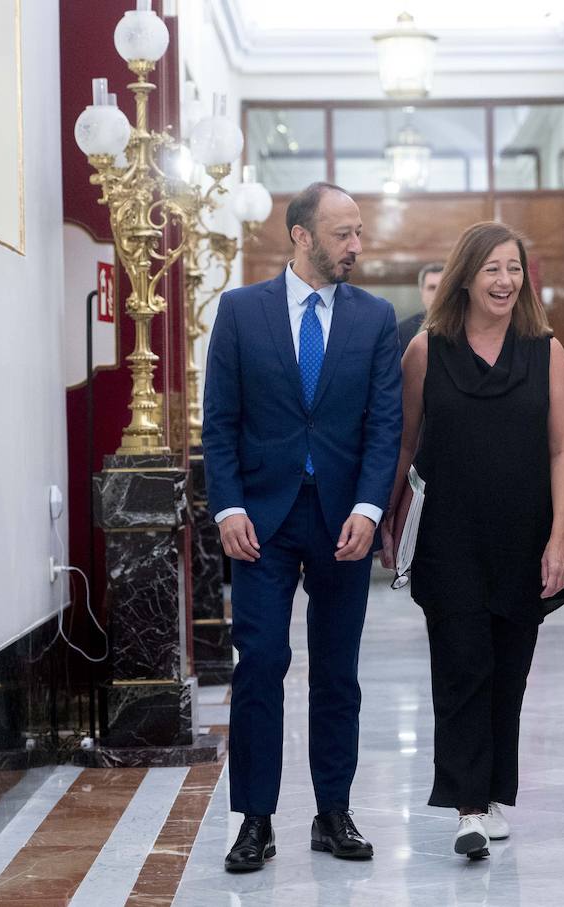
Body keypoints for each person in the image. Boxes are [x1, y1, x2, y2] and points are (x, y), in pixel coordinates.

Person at [202, 181, 402, 873]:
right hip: (262, 520)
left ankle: (333, 810)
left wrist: (370, 508)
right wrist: (226, 507)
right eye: (343, 232)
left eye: (358, 232)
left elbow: (385, 425)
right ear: (301, 235)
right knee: (260, 664)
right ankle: (254, 820)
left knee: (337, 672)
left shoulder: (374, 318)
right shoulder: (240, 311)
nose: (356, 244)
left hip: (343, 519)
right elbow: (220, 422)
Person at [381, 221, 564, 861]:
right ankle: (467, 807)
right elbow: (406, 445)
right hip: (449, 539)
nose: (504, 281)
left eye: (513, 269)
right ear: (465, 275)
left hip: (523, 538)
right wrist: (388, 522)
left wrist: (560, 539)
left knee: (509, 675)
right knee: (462, 667)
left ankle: (492, 794)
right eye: (492, 268)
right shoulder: (425, 352)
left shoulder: (546, 350)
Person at [397, 262, 444, 355]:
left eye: (442, 288)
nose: (438, 294)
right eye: (432, 288)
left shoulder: (466, 326)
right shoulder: (402, 330)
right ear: (421, 291)